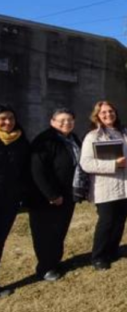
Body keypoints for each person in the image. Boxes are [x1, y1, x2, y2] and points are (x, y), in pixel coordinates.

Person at [80, 101, 127, 271]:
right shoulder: (93, 136)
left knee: (120, 221)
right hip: (105, 187)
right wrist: (113, 165)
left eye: (111, 111)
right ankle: (98, 256)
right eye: (104, 112)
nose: (108, 115)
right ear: (97, 115)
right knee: (106, 222)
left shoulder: (124, 132)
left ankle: (113, 250)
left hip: (126, 185)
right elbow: (85, 163)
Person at [26, 108, 81, 282]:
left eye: (70, 120)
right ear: (52, 122)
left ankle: (55, 262)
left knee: (59, 231)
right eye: (62, 120)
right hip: (46, 198)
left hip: (67, 195)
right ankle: (44, 268)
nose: (67, 123)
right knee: (45, 233)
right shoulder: (45, 141)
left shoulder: (72, 138)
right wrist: (51, 195)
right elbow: (37, 170)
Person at [0, 105, 30, 297]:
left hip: (10, 200)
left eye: (11, 118)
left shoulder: (21, 141)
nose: (8, 122)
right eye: (3, 118)